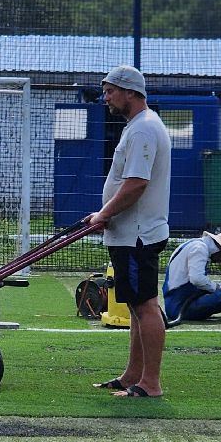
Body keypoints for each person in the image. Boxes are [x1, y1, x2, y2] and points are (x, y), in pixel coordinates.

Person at [83, 65, 171, 399]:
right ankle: (133, 375)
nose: (106, 98)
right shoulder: (139, 126)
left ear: (130, 92)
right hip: (133, 232)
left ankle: (150, 383)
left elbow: (136, 184)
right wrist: (105, 215)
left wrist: (105, 213)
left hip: (137, 235)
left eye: (110, 92)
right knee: (137, 306)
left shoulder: (143, 129)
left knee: (145, 305)